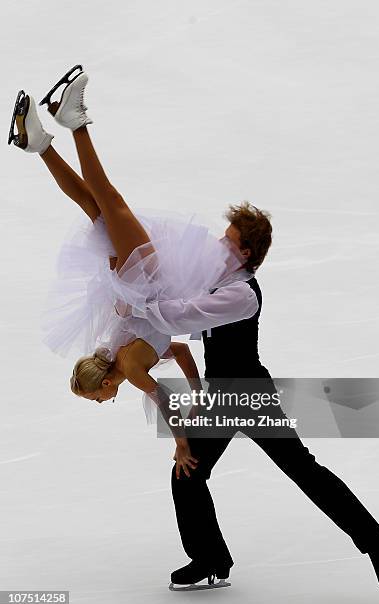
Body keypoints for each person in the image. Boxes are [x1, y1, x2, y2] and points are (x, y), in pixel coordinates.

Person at [7, 66, 260, 476]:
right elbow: (177, 350)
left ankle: (76, 124)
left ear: (106, 384)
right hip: (128, 281)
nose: (104, 403)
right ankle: (39, 143)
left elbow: (164, 403)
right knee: (95, 204)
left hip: (143, 279)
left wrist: (182, 445)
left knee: (111, 202)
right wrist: (197, 391)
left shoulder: (132, 370)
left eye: (97, 399)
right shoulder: (119, 354)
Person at [169, 205, 379, 593]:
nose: (218, 244)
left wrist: (137, 309)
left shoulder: (241, 294)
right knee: (187, 473)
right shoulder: (216, 279)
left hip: (248, 395)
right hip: (221, 395)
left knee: (304, 472)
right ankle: (210, 558)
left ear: (245, 253)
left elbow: (180, 316)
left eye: (228, 240)